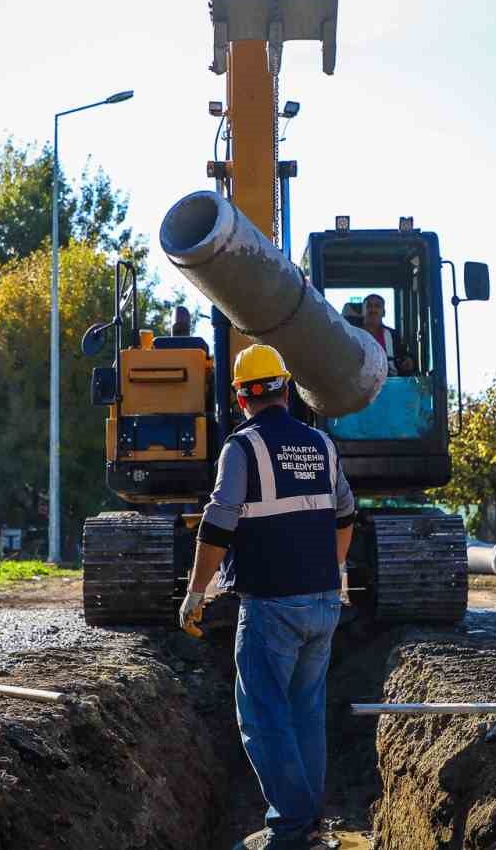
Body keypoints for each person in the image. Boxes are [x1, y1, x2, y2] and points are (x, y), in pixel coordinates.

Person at [180, 344, 355, 850]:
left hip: (271, 605)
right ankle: (308, 823)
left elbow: (217, 522)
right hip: (323, 601)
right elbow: (345, 517)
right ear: (286, 388)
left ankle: (291, 829)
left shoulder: (242, 447)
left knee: (262, 715)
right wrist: (332, 570)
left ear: (240, 397)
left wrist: (195, 594)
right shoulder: (321, 444)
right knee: (304, 711)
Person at [360, 293, 413, 374]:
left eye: (377, 306)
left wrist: (408, 362)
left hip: (391, 382)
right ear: (362, 312)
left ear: (384, 312)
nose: (373, 310)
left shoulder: (393, 335)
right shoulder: (354, 335)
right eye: (369, 306)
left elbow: (405, 357)